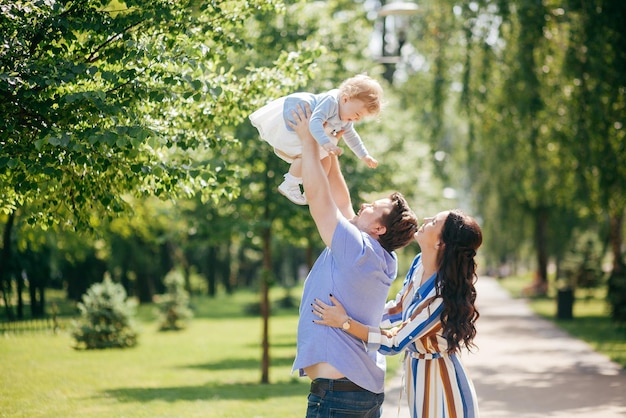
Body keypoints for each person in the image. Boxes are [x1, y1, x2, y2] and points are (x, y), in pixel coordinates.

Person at [286, 103, 419, 417]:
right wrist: (329, 146)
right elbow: (341, 198)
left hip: (336, 397)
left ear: (378, 228)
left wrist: (308, 139)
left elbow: (321, 199)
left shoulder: (357, 248)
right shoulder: (379, 257)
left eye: (373, 206)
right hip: (360, 393)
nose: (364, 204)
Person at [312, 209, 483, 418]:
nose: (426, 219)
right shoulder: (419, 263)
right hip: (418, 375)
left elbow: (395, 342)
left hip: (444, 386)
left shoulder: (441, 297)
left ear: (441, 243)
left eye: (433, 222)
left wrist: (346, 322)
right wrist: (353, 310)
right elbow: (398, 308)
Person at [249, 74, 383, 205]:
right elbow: (314, 122)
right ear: (345, 99)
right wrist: (326, 143)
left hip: (312, 133)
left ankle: (312, 189)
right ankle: (290, 183)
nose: (356, 119)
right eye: (357, 114)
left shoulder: (346, 116)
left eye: (360, 118)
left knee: (326, 162)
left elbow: (351, 136)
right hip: (294, 124)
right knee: (306, 154)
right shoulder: (331, 101)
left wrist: (364, 155)